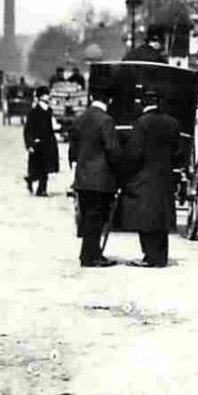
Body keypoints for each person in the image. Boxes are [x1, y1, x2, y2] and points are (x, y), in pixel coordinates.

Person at [122, 93, 182, 267]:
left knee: (145, 217)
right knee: (161, 217)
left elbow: (135, 153)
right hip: (165, 178)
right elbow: (178, 153)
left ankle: (149, 257)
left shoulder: (142, 123)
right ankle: (161, 257)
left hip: (144, 177)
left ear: (143, 104)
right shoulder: (173, 123)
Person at [68, 94, 121, 267]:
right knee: (96, 219)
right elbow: (112, 150)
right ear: (110, 100)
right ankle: (90, 257)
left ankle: (90, 253)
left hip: (82, 177)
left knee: (87, 218)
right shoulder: (106, 121)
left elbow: (73, 150)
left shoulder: (80, 119)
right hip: (100, 179)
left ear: (91, 97)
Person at [23, 85, 59, 196]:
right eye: (46, 95)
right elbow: (28, 130)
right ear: (41, 97)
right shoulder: (33, 112)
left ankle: (40, 189)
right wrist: (30, 144)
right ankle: (34, 183)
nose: (48, 97)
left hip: (48, 143)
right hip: (38, 143)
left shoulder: (49, 110)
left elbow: (50, 126)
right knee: (40, 168)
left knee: (45, 168)